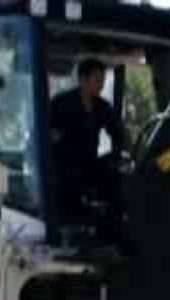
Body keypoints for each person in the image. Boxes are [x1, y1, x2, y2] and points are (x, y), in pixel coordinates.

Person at [50, 58, 127, 217]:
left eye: (103, 80)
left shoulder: (102, 106)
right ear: (83, 79)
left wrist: (128, 145)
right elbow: (49, 137)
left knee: (116, 180)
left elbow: (118, 132)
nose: (101, 84)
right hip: (64, 168)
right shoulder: (61, 103)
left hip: (89, 164)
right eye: (98, 79)